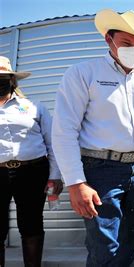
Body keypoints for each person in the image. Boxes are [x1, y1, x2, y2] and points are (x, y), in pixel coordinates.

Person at [51, 9, 134, 266]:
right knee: (104, 247)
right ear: (109, 39)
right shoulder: (83, 74)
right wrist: (75, 183)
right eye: (126, 43)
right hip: (100, 171)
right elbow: (64, 130)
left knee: (130, 238)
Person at [0, 56, 62, 267]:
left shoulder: (34, 107)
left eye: (3, 77)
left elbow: (52, 143)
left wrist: (55, 176)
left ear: (11, 79)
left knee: (31, 224)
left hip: (33, 171)